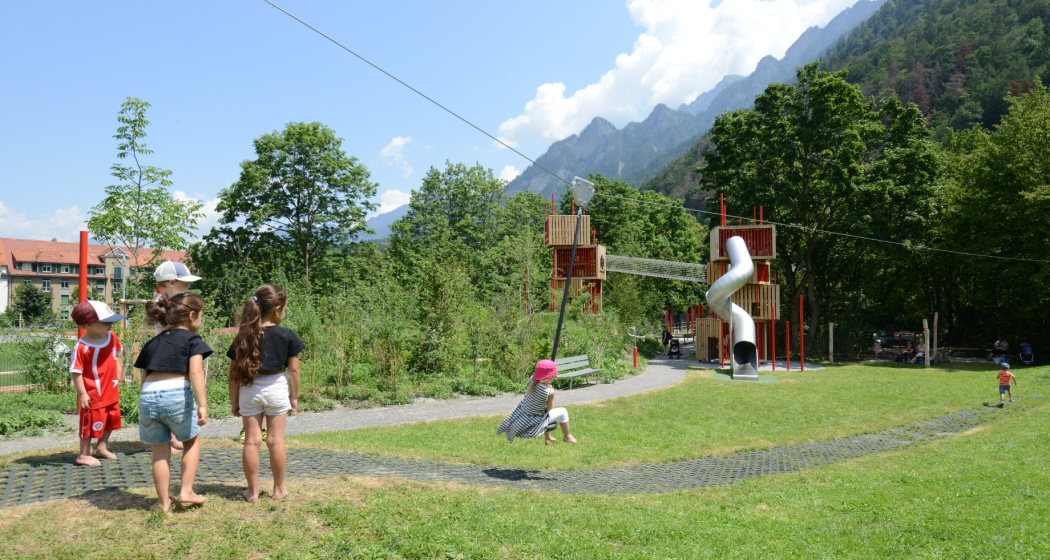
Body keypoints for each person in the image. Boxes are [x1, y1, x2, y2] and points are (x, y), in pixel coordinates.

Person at [227, 284, 303, 503]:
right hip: (276, 388)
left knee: (251, 442)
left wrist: (234, 402)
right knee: (275, 441)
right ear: (277, 309)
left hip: (249, 390)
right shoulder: (286, 334)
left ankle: (252, 492)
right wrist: (294, 396)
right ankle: (278, 490)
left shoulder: (244, 334)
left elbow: (233, 374)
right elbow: (295, 370)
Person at [136, 292, 211, 513]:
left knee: (159, 451)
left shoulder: (153, 342)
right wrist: (202, 404)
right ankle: (186, 491)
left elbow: (144, 377)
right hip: (176, 394)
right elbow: (196, 372)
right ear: (191, 315)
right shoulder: (193, 340)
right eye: (201, 315)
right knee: (191, 441)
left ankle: (163, 503)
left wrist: (146, 405)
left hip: (148, 397)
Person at [152, 260, 202, 454]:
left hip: (177, 352)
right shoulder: (162, 304)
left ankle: (175, 436)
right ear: (171, 282)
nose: (188, 286)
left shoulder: (168, 302)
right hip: (167, 356)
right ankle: (170, 438)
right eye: (185, 282)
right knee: (170, 394)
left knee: (180, 394)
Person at [68, 300, 127, 467]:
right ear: (89, 324)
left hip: (111, 391)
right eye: (106, 322)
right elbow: (76, 372)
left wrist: (119, 374)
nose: (110, 325)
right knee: (89, 423)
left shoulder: (112, 337)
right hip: (93, 394)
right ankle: (83, 454)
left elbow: (116, 356)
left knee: (111, 419)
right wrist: (83, 393)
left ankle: (101, 447)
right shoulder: (82, 347)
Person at [497, 360, 577, 445]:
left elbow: (538, 378)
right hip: (535, 419)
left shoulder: (531, 380)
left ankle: (548, 437)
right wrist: (550, 389)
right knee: (563, 411)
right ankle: (567, 436)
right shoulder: (549, 392)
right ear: (551, 376)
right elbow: (549, 408)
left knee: (543, 411)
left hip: (523, 413)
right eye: (554, 374)